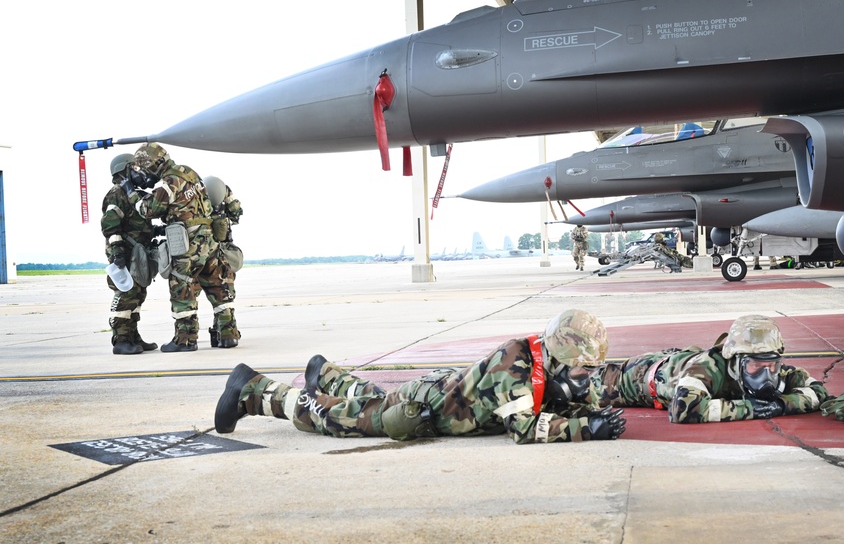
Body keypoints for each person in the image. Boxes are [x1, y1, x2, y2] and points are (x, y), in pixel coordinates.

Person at [214, 309, 627, 444]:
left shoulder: (538, 357)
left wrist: (586, 402)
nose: (584, 375)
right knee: (337, 418)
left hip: (442, 390)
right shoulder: (514, 367)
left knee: (372, 400)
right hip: (428, 405)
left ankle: (328, 373)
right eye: (581, 366)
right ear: (563, 353)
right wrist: (584, 427)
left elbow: (548, 397)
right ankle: (254, 390)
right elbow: (523, 429)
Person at [586, 314, 832, 423]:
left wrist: (779, 405)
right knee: (575, 387)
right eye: (755, 365)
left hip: (678, 362)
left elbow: (817, 392)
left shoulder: (773, 369)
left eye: (772, 364)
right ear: (735, 362)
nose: (766, 374)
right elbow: (683, 411)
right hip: (628, 382)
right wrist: (752, 409)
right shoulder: (708, 368)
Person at [120, 142, 234, 352]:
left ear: (153, 165)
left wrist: (130, 192)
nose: (146, 175)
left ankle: (186, 340)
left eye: (145, 170)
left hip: (189, 244)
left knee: (182, 288)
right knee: (218, 287)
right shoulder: (189, 172)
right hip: (210, 241)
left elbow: (147, 210)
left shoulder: (168, 182)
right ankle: (228, 335)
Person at [100, 154, 158, 355]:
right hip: (125, 252)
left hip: (138, 252)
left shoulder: (132, 193)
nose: (138, 170)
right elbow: (110, 224)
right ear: (124, 170)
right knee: (126, 294)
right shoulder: (117, 194)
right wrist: (117, 253)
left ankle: (133, 335)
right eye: (134, 166)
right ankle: (121, 340)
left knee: (138, 295)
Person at [203, 176, 244, 348]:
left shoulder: (198, 198)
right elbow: (236, 213)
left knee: (188, 296)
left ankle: (185, 336)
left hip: (200, 253)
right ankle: (228, 335)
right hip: (224, 253)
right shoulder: (224, 197)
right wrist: (228, 195)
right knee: (223, 296)